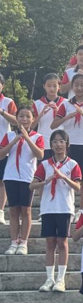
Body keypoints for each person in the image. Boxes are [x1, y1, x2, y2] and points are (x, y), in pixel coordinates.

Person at [30, 130, 81, 292]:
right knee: (50, 242)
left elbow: (78, 187)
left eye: (61, 141)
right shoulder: (45, 165)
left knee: (62, 242)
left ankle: (61, 279)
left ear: (67, 144)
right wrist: (46, 181)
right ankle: (49, 278)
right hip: (48, 208)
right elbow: (32, 185)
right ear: (50, 145)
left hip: (64, 207)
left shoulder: (72, 164)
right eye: (55, 141)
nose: (58, 145)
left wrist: (64, 177)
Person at [52, 74, 83, 221]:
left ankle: (81, 209)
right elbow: (54, 125)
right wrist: (68, 117)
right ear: (72, 87)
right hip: (69, 145)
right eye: (76, 85)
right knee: (67, 177)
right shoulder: (66, 105)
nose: (79, 88)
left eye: (82, 85)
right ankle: (68, 207)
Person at [0, 106, 45, 255]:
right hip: (11, 176)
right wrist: (14, 141)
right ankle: (14, 242)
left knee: (26, 210)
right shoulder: (9, 135)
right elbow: (1, 154)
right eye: (21, 116)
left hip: (27, 177)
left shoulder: (37, 137)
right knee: (13, 210)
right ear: (16, 118)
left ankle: (23, 242)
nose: (24, 119)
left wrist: (27, 138)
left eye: (27, 116)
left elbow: (40, 155)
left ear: (33, 119)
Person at [32, 73, 66, 161]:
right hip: (44, 142)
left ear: (59, 86)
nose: (52, 89)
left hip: (61, 142)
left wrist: (59, 112)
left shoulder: (66, 103)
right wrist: (41, 114)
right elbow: (31, 126)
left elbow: (69, 123)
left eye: (55, 86)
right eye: (49, 86)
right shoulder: (37, 104)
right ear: (44, 86)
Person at [0, 73, 18, 225]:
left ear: (2, 85)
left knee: (1, 181)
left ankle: (0, 211)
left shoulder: (7, 102)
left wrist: (2, 112)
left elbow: (17, 121)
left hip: (3, 145)